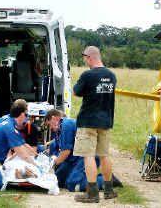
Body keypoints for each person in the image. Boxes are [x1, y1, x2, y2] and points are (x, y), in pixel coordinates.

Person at [73, 46, 117, 203]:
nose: (85, 61)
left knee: (88, 156)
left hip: (88, 121)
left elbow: (76, 92)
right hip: (106, 121)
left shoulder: (88, 75)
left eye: (85, 58)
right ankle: (109, 190)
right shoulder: (111, 76)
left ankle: (92, 193)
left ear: (89, 57)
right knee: (104, 155)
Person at [44, 109, 119, 192]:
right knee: (58, 180)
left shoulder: (65, 125)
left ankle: (106, 180)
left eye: (49, 124)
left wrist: (52, 164)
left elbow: (65, 152)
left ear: (54, 118)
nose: (50, 128)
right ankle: (84, 177)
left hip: (87, 154)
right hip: (76, 157)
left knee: (73, 184)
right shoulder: (61, 129)